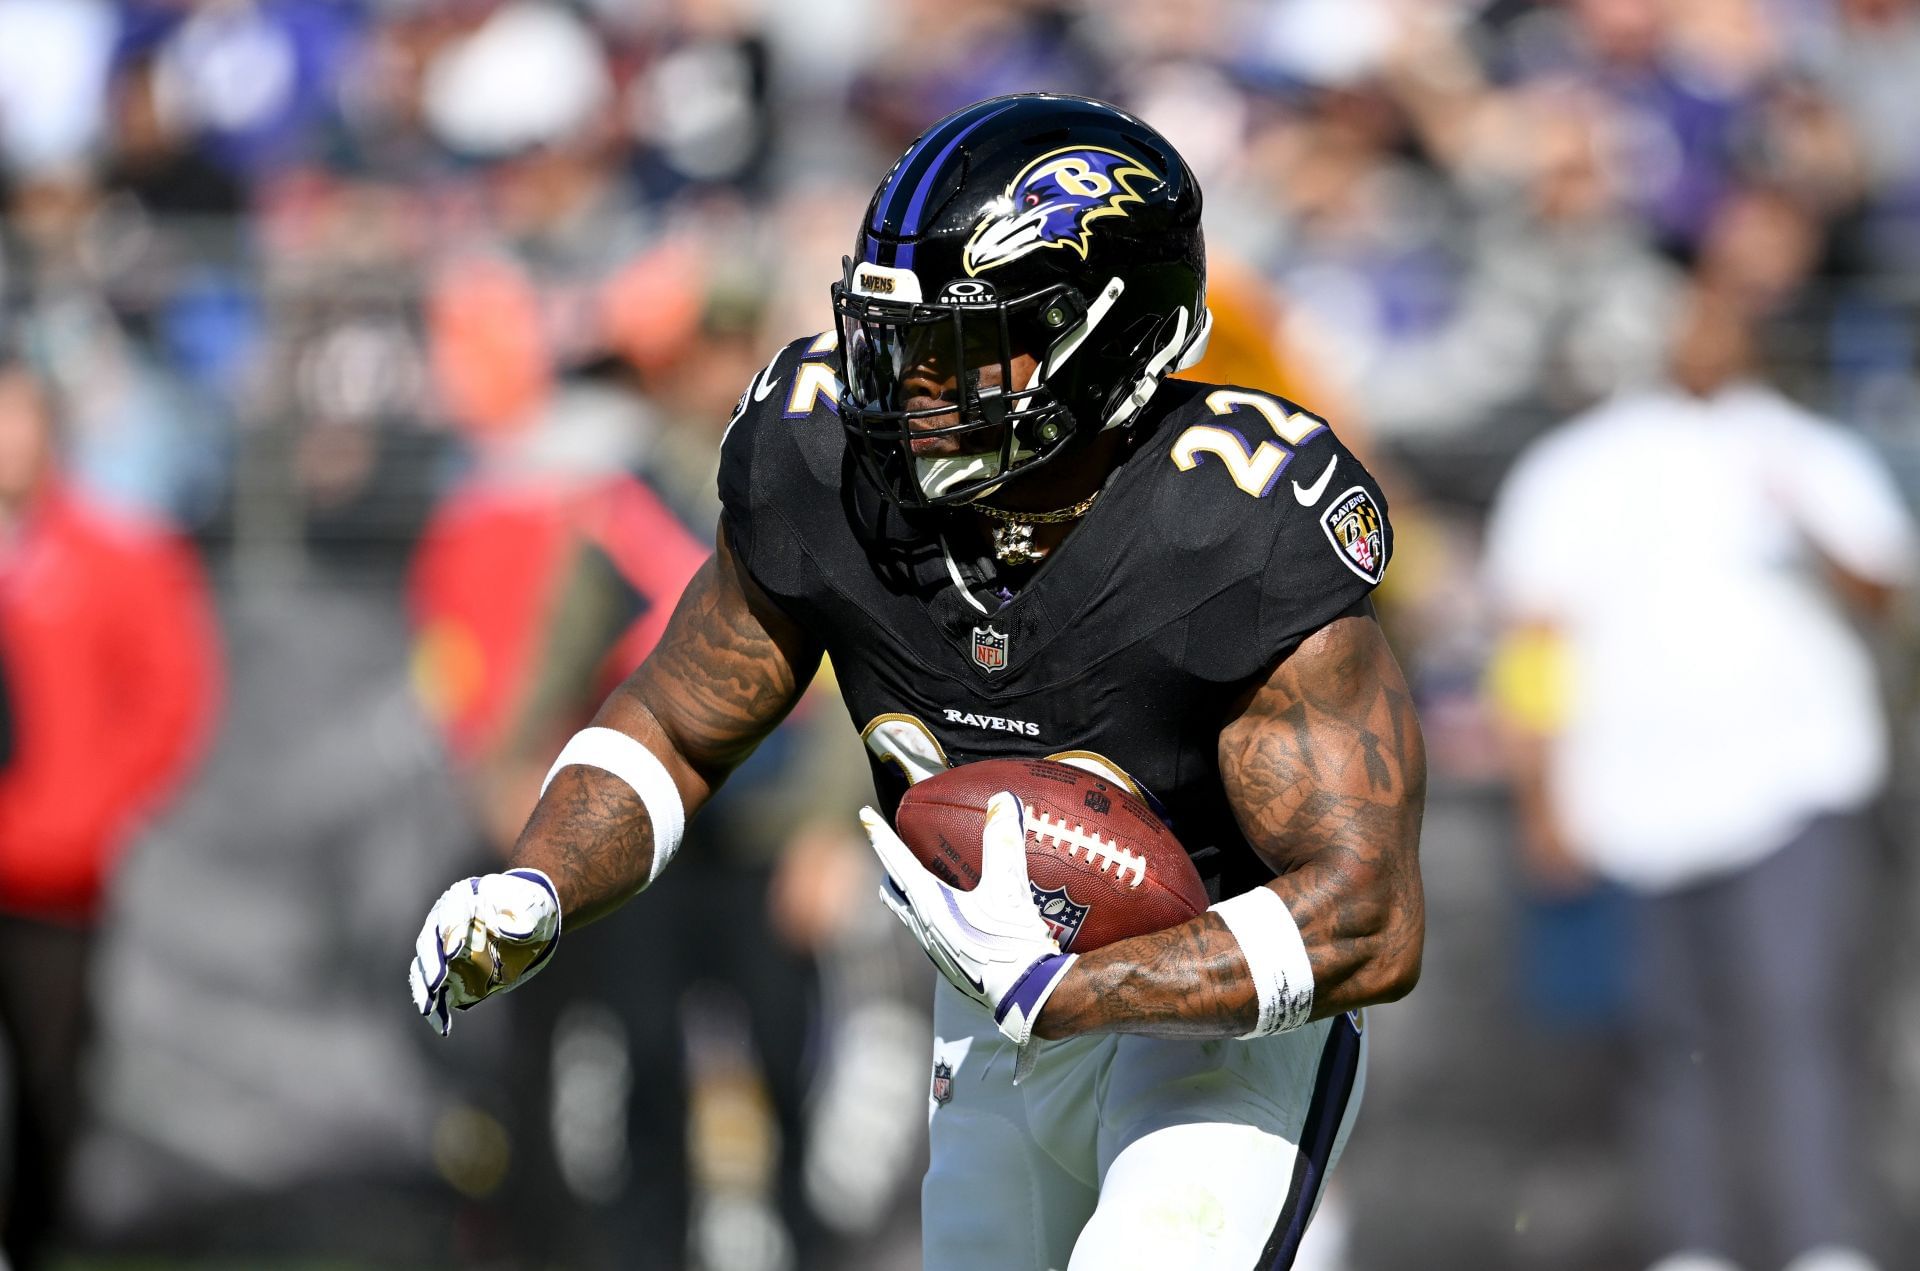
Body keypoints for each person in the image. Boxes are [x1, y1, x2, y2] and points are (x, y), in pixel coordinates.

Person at [409, 93, 1427, 1270]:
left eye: (960, 343)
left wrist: (1073, 985)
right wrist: (539, 879)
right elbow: (677, 721)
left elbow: (1369, 915)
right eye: (894, 337)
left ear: (1106, 336)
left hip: (1214, 1023)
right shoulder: (822, 460)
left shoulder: (1235, 524)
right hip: (991, 1005)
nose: (908, 383)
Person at [1484, 285, 1912, 1271]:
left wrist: (1803, 518)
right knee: (1662, 1035)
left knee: (1793, 1016)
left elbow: (1882, 589)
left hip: (1792, 786)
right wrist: (1543, 793)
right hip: (1631, 799)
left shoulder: (1805, 450)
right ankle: (1692, 1243)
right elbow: (1534, 639)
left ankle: (1819, 1239)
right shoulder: (1577, 465)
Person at [0, 350, 221, 1267]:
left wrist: (88, 814)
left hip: (53, 873)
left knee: (53, 1079)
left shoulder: (113, 555)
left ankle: (37, 1238)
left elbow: (170, 696)